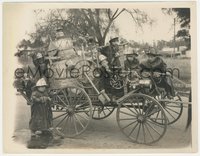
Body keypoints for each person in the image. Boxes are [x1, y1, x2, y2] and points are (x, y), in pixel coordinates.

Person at [27, 78, 53, 149]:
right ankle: (33, 132)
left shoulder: (44, 92)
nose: (43, 88)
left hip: (43, 110)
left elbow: (48, 96)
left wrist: (48, 97)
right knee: (35, 119)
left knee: (43, 119)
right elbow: (35, 99)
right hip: (36, 110)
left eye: (44, 87)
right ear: (38, 87)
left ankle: (42, 129)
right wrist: (45, 98)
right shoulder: (35, 93)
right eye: (41, 87)